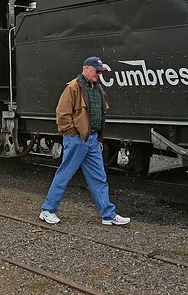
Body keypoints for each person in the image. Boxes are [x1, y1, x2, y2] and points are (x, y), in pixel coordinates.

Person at [40, 57, 131, 226]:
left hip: (93, 139)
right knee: (65, 175)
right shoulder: (73, 87)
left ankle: (108, 215)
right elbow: (62, 115)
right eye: (97, 71)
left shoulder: (96, 88)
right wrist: (74, 134)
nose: (99, 74)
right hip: (78, 139)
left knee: (99, 177)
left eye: (100, 71)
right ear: (86, 68)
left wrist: (98, 138)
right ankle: (48, 210)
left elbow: (99, 116)